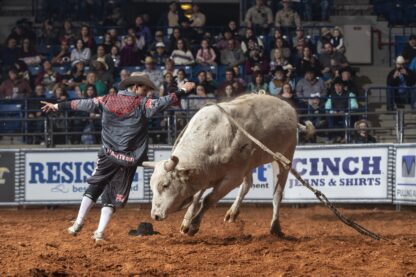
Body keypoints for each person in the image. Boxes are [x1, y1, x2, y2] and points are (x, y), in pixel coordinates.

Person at [41, 73, 195, 242]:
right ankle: (99, 232)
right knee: (112, 196)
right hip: (129, 158)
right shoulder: (142, 103)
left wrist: (57, 106)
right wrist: (182, 91)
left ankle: (78, 222)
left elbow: (81, 104)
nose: (147, 92)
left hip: (108, 153)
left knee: (96, 184)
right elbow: (162, 102)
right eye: (145, 88)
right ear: (136, 87)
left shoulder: (106, 99)